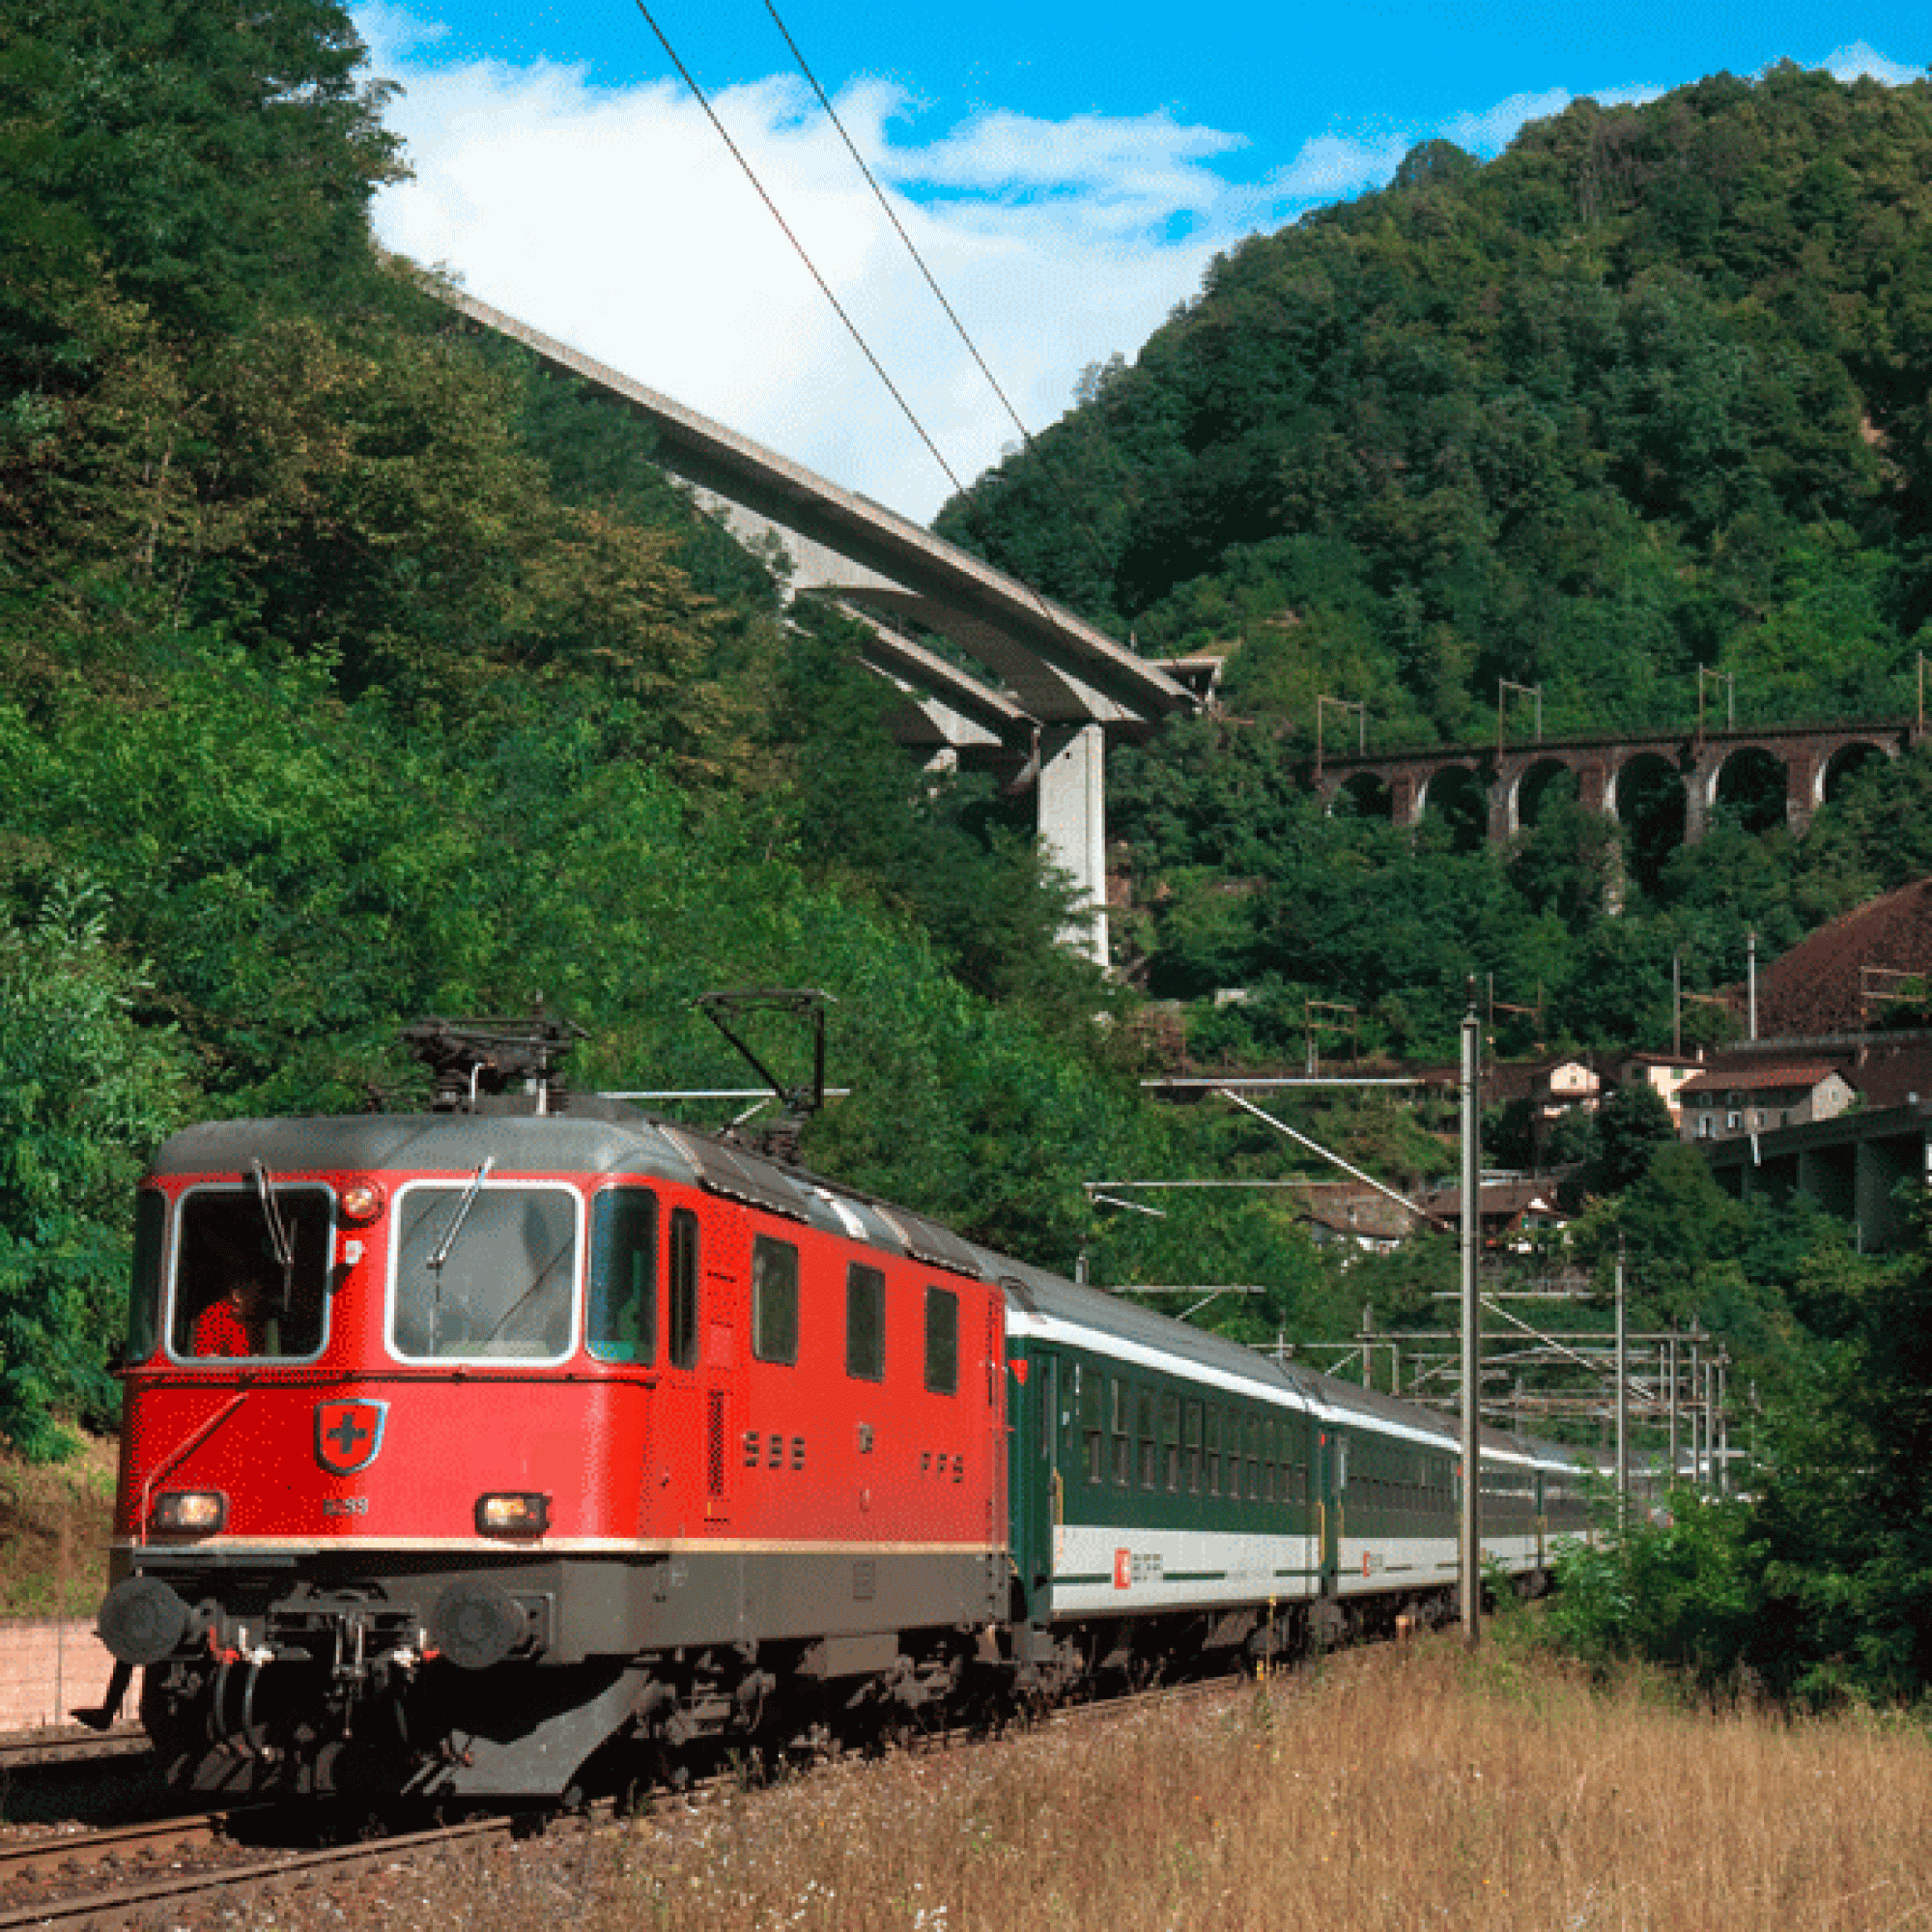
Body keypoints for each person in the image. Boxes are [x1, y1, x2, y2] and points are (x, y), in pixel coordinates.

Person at [192, 1276, 269, 1357]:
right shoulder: (211, 1317)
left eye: (255, 1295)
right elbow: (205, 1358)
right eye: (242, 1293)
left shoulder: (255, 1320)